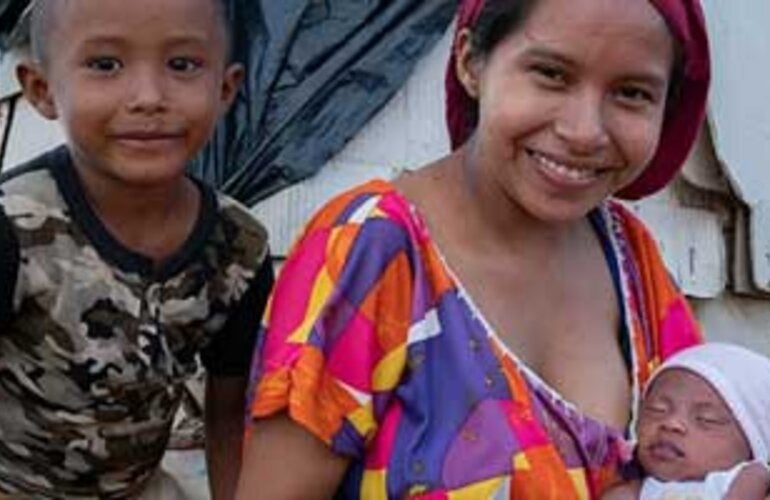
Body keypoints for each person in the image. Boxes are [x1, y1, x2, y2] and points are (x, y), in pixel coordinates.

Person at [237, 0, 711, 497]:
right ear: (470, 62)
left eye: (632, 93)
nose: (584, 131)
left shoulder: (631, 259)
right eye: (550, 74)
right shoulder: (370, 251)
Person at [0, 0, 273, 498]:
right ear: (41, 90)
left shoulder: (239, 248)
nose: (149, 97)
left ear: (227, 87)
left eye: (182, 65)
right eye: (105, 65)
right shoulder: (15, 227)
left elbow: (229, 413)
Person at [603, 343, 770, 499]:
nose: (671, 423)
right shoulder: (633, 490)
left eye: (706, 419)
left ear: (753, 444)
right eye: (657, 409)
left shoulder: (748, 478)